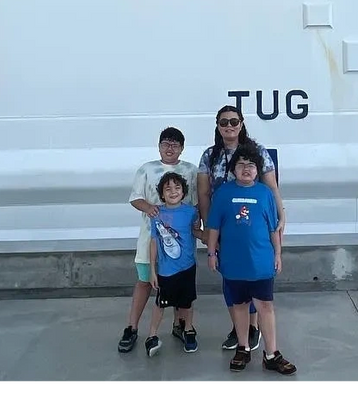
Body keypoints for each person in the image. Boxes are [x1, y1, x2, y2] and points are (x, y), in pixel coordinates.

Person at [197, 105, 285, 352]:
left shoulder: (257, 151)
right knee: (232, 281)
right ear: (217, 125)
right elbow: (204, 193)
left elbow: (272, 187)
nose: (229, 126)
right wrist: (207, 227)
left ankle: (254, 328)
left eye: (234, 121)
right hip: (225, 226)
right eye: (223, 122)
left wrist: (281, 215)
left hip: (253, 226)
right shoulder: (209, 155)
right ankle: (239, 329)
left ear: (242, 123)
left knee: (255, 276)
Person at [205, 145, 297, 375]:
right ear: (233, 169)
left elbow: (273, 228)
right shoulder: (223, 193)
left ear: (258, 170)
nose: (246, 169)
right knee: (239, 306)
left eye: (251, 165)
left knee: (265, 306)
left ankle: (271, 354)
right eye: (241, 165)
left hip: (261, 262)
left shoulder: (265, 194)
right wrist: (211, 253)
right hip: (233, 263)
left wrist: (277, 253)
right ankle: (243, 347)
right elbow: (214, 227)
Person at [118, 127, 199, 353]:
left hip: (181, 242)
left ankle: (180, 326)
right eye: (166, 143)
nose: (170, 148)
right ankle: (132, 328)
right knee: (145, 281)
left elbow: (196, 202)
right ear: (159, 146)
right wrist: (151, 208)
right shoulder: (147, 169)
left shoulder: (191, 170)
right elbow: (136, 198)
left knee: (180, 286)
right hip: (151, 238)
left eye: (175, 144)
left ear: (182, 148)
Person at [144, 171, 204, 356]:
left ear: (184, 191)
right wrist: (152, 270)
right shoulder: (156, 213)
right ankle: (152, 335)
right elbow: (154, 241)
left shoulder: (191, 212)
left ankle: (188, 330)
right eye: (167, 188)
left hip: (187, 266)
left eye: (177, 187)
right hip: (165, 270)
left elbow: (196, 231)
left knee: (187, 302)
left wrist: (212, 239)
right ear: (161, 193)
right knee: (161, 303)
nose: (172, 191)